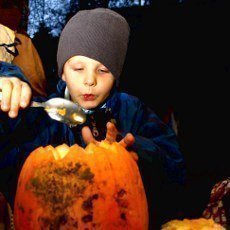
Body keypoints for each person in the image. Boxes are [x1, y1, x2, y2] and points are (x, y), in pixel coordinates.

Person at [0, 8, 185, 229]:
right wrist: (8, 82)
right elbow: (9, 149)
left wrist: (138, 153)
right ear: (62, 72)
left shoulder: (133, 111)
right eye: (78, 68)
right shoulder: (42, 115)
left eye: (103, 70)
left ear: (116, 75)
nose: (90, 80)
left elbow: (175, 169)